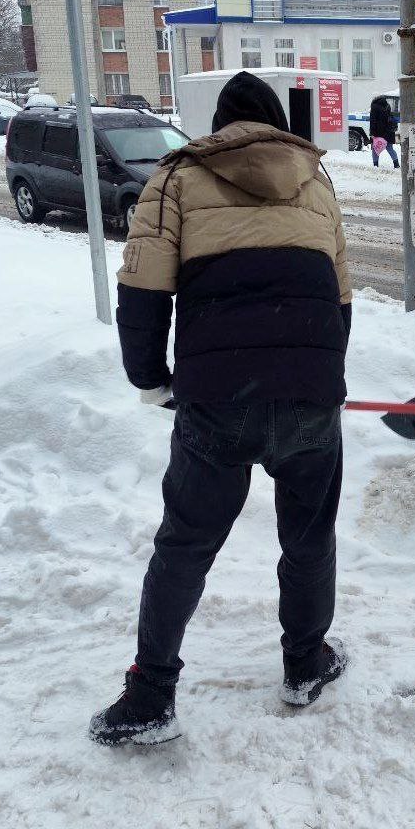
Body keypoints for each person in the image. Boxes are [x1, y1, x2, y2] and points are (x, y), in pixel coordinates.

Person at [89, 71, 352, 746]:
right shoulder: (316, 181)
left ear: (218, 125)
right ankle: (304, 664)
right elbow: (338, 294)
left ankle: (149, 695)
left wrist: (151, 378)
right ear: (276, 125)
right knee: (309, 537)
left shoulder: (177, 178)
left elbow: (142, 289)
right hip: (308, 394)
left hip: (217, 398)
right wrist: (322, 376)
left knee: (184, 544)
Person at [369, 96, 399, 168]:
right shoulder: (387, 105)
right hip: (389, 131)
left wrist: (372, 133)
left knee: (375, 148)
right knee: (389, 147)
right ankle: (396, 164)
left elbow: (373, 121)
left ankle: (375, 165)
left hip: (379, 132)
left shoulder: (374, 106)